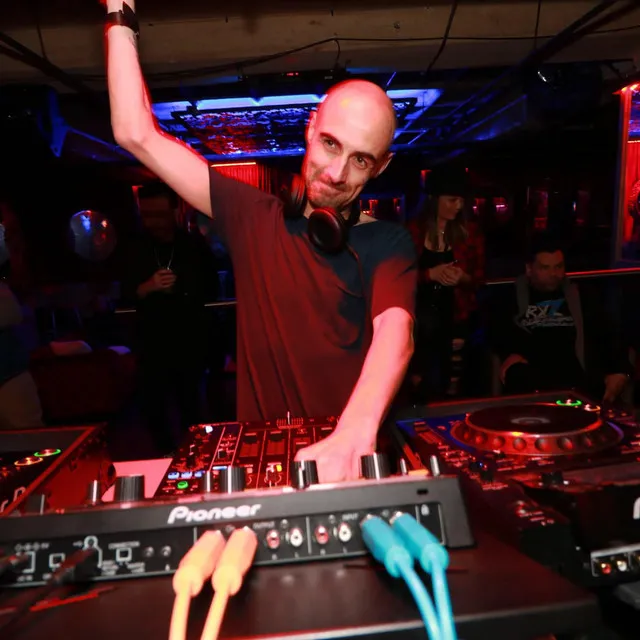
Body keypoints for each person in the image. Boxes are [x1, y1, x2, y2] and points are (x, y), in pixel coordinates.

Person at [103, 0, 416, 482]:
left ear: (382, 166)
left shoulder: (387, 243)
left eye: (360, 160)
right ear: (310, 128)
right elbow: (134, 132)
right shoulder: (251, 215)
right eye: (330, 143)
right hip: (265, 461)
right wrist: (119, 12)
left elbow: (396, 331)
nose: (336, 173)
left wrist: (356, 432)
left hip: (351, 460)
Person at [122, 183, 220, 454]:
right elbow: (123, 292)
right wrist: (147, 287)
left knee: (192, 406)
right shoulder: (136, 247)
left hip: (188, 339)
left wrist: (181, 287)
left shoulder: (191, 245)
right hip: (151, 342)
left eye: (159, 214)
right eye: (147, 215)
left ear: (174, 211)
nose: (153, 222)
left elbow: (211, 286)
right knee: (154, 410)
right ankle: (163, 457)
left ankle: (197, 456)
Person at [490, 233, 631, 403]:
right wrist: (513, 352)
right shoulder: (511, 297)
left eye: (558, 266)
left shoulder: (581, 296)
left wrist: (620, 370)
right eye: (545, 268)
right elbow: (496, 331)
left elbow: (608, 332)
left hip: (577, 378)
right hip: (534, 377)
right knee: (519, 374)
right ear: (529, 269)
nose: (554, 273)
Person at [407, 167, 485, 400]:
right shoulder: (412, 231)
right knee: (422, 382)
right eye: (452, 200)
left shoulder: (470, 232)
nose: (459, 206)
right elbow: (399, 277)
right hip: (419, 319)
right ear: (434, 200)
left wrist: (462, 278)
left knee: (453, 382)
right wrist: (429, 274)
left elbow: (480, 278)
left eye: (461, 200)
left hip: (456, 314)